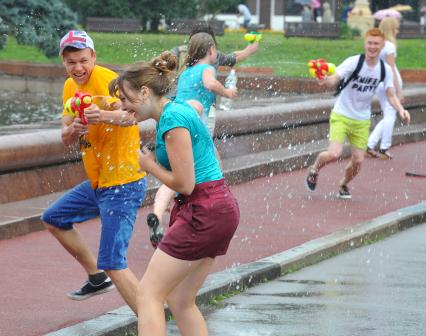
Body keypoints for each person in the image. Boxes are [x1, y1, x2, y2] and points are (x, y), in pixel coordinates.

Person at [109, 51, 240, 335]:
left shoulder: (172, 122)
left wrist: (149, 165)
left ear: (144, 91)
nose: (123, 106)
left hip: (203, 211)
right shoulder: (174, 109)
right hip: (218, 209)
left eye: (125, 98)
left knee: (147, 295)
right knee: (180, 300)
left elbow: (184, 185)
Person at [41, 31, 147, 312]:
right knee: (53, 218)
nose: (78, 68)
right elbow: (65, 135)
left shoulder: (108, 80)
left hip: (124, 182)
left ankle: (154, 323)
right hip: (99, 183)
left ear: (94, 57)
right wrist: (72, 129)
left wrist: (105, 115)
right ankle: (96, 278)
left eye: (83, 61)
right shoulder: (69, 87)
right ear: (64, 62)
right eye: (71, 62)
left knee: (114, 261)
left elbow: (134, 114)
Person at [147, 29, 247, 245]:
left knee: (177, 172)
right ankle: (210, 208)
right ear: (211, 50)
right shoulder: (206, 68)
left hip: (175, 121)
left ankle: (158, 212)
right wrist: (228, 93)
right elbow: (211, 84)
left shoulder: (185, 72)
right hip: (195, 123)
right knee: (210, 167)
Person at [305, 28, 410, 199]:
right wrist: (325, 81)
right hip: (341, 115)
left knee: (359, 160)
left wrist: (401, 109)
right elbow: (335, 79)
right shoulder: (354, 62)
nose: (372, 47)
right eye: (370, 43)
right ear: (365, 43)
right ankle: (314, 169)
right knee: (334, 154)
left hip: (361, 120)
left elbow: (390, 94)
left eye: (376, 44)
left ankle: (343, 184)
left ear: (382, 46)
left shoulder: (385, 70)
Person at [367, 17, 404, 160]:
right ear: (391, 28)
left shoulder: (380, 45)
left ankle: (370, 144)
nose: (398, 30)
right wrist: (398, 90)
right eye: (396, 27)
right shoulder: (389, 46)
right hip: (389, 82)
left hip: (379, 81)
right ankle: (384, 147)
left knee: (389, 114)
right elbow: (392, 68)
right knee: (390, 115)